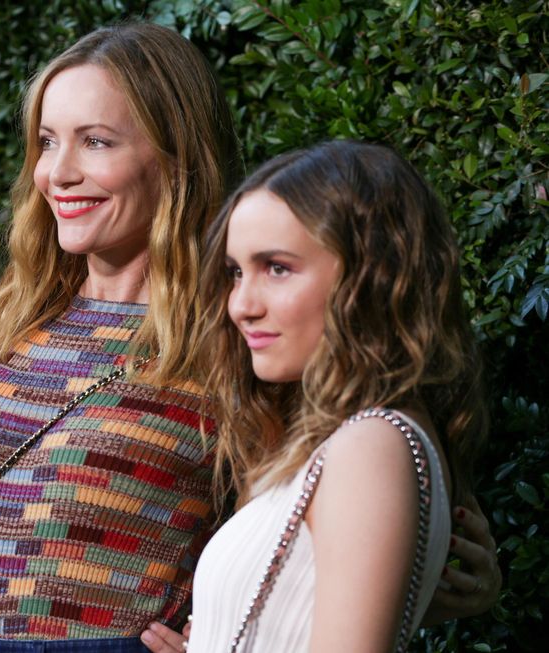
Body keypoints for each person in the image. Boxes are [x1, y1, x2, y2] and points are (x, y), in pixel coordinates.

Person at [0, 23, 502, 653]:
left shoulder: (239, 331)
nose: (59, 173)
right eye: (46, 142)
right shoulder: (21, 315)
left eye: (95, 142)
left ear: (176, 157)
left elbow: (315, 547)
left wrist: (448, 585)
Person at [185, 140, 489, 651]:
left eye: (276, 268)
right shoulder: (349, 441)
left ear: (371, 276)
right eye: (236, 272)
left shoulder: (370, 446)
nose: (240, 305)